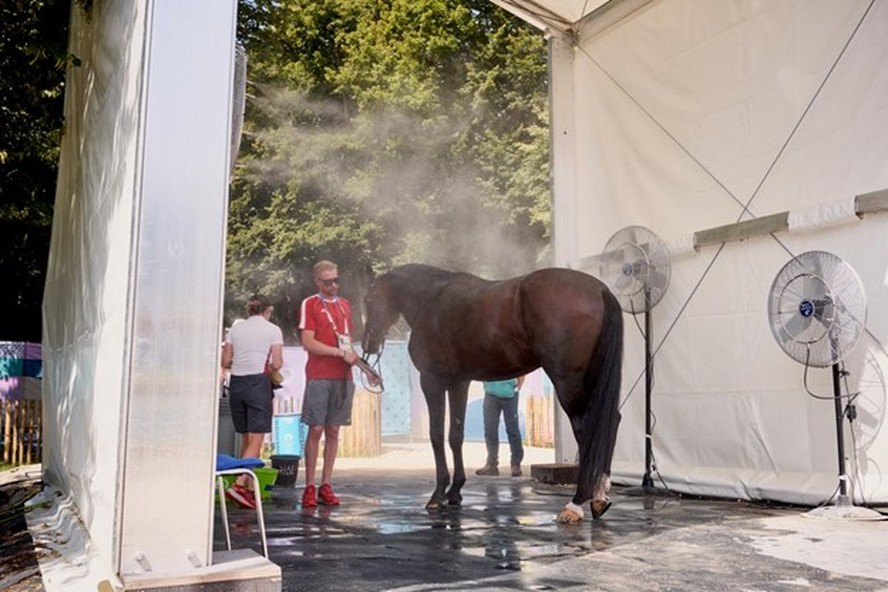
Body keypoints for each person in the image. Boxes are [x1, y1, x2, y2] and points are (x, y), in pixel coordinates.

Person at [298, 260, 361, 508]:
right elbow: (308, 342)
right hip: (319, 375)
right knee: (316, 428)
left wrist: (356, 360)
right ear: (318, 282)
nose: (334, 285)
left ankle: (326, 483)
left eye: (336, 280)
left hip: (343, 376)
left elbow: (346, 341)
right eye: (328, 282)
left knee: (334, 430)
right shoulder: (310, 304)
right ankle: (309, 486)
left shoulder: (345, 305)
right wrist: (337, 353)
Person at [221, 294, 284, 508]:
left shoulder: (236, 330)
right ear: (268, 310)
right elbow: (277, 363)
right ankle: (238, 485)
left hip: (237, 383)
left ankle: (247, 489)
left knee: (247, 438)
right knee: (257, 439)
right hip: (258, 383)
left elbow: (225, 360)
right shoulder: (273, 330)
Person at [475, 376, 525, 477]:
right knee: (490, 430)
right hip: (491, 393)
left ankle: (516, 464)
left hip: (509, 394)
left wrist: (517, 386)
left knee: (512, 429)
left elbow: (522, 372)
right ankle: (491, 464)